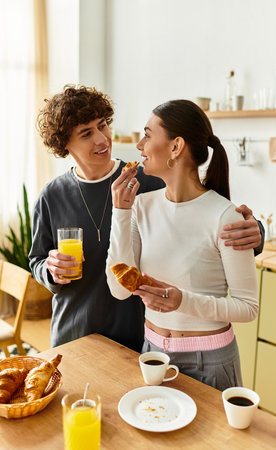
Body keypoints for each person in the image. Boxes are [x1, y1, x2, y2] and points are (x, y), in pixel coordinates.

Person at [29, 86, 263, 353]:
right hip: (73, 333)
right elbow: (36, 258)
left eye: (103, 125)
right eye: (86, 133)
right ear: (64, 144)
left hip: (135, 336)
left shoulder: (150, 182)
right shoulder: (52, 195)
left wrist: (257, 233)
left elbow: (206, 212)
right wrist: (50, 270)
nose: (102, 139)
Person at [106, 99, 259, 391]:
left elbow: (247, 308)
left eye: (148, 135)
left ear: (175, 147)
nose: (140, 145)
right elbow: (119, 289)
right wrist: (120, 212)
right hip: (152, 353)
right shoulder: (139, 206)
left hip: (210, 361)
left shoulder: (224, 214)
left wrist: (182, 301)